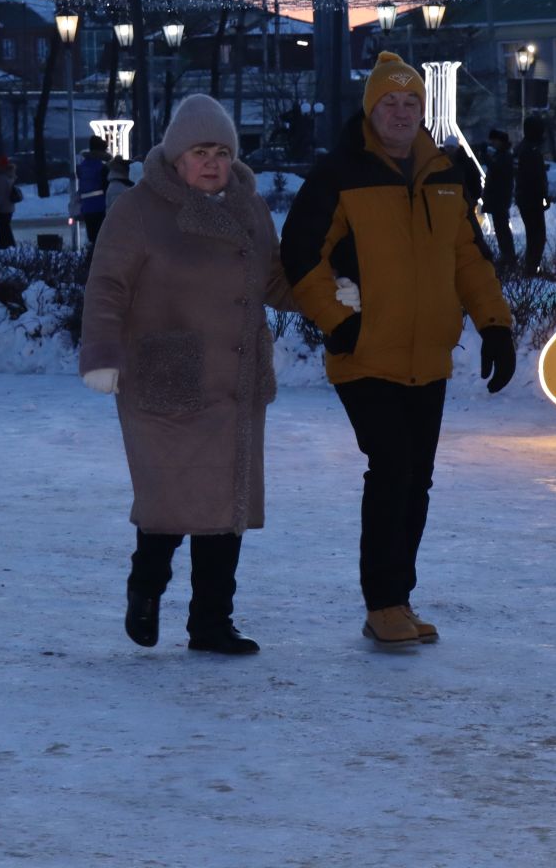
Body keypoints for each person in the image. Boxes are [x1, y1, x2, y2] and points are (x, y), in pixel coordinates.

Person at [280, 51, 515, 649]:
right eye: (391, 102)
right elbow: (302, 255)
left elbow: (468, 257)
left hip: (427, 354)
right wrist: (338, 322)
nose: (402, 112)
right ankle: (383, 602)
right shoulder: (340, 174)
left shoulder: (445, 174)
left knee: (418, 480)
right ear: (372, 109)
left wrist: (495, 326)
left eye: (412, 103)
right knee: (392, 470)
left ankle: (399, 599)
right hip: (365, 353)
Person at [80, 95, 293, 656]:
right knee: (171, 499)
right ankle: (145, 589)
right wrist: (102, 352)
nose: (213, 162)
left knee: (227, 507)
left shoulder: (249, 208)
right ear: (176, 157)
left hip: (237, 377)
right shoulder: (139, 210)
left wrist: (331, 297)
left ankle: (211, 623)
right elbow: (107, 286)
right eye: (201, 151)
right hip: (165, 379)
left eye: (222, 151)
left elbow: (272, 279)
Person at [514, 115, 549, 277]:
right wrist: (543, 195)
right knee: (537, 236)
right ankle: (531, 268)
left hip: (527, 198)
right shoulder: (530, 151)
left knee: (534, 235)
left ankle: (531, 267)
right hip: (531, 199)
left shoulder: (525, 148)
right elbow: (535, 177)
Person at [480, 129, 516, 273]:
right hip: (499, 199)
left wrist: (485, 155)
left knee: (502, 229)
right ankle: (507, 255)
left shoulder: (504, 157)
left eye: (494, 141)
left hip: (499, 199)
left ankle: (508, 256)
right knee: (501, 229)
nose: (492, 144)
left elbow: (496, 169)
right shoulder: (502, 156)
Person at [70, 136, 109, 242]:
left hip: (87, 208)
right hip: (101, 207)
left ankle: (90, 257)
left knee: (92, 239)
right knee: (102, 239)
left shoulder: (84, 166)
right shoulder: (102, 167)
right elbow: (107, 187)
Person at [0, 156, 20, 249]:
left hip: (2, 207)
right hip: (9, 206)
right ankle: (3, 244)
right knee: (5, 226)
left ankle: (7, 244)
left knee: (3, 227)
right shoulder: (10, 175)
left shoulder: (0, 178)